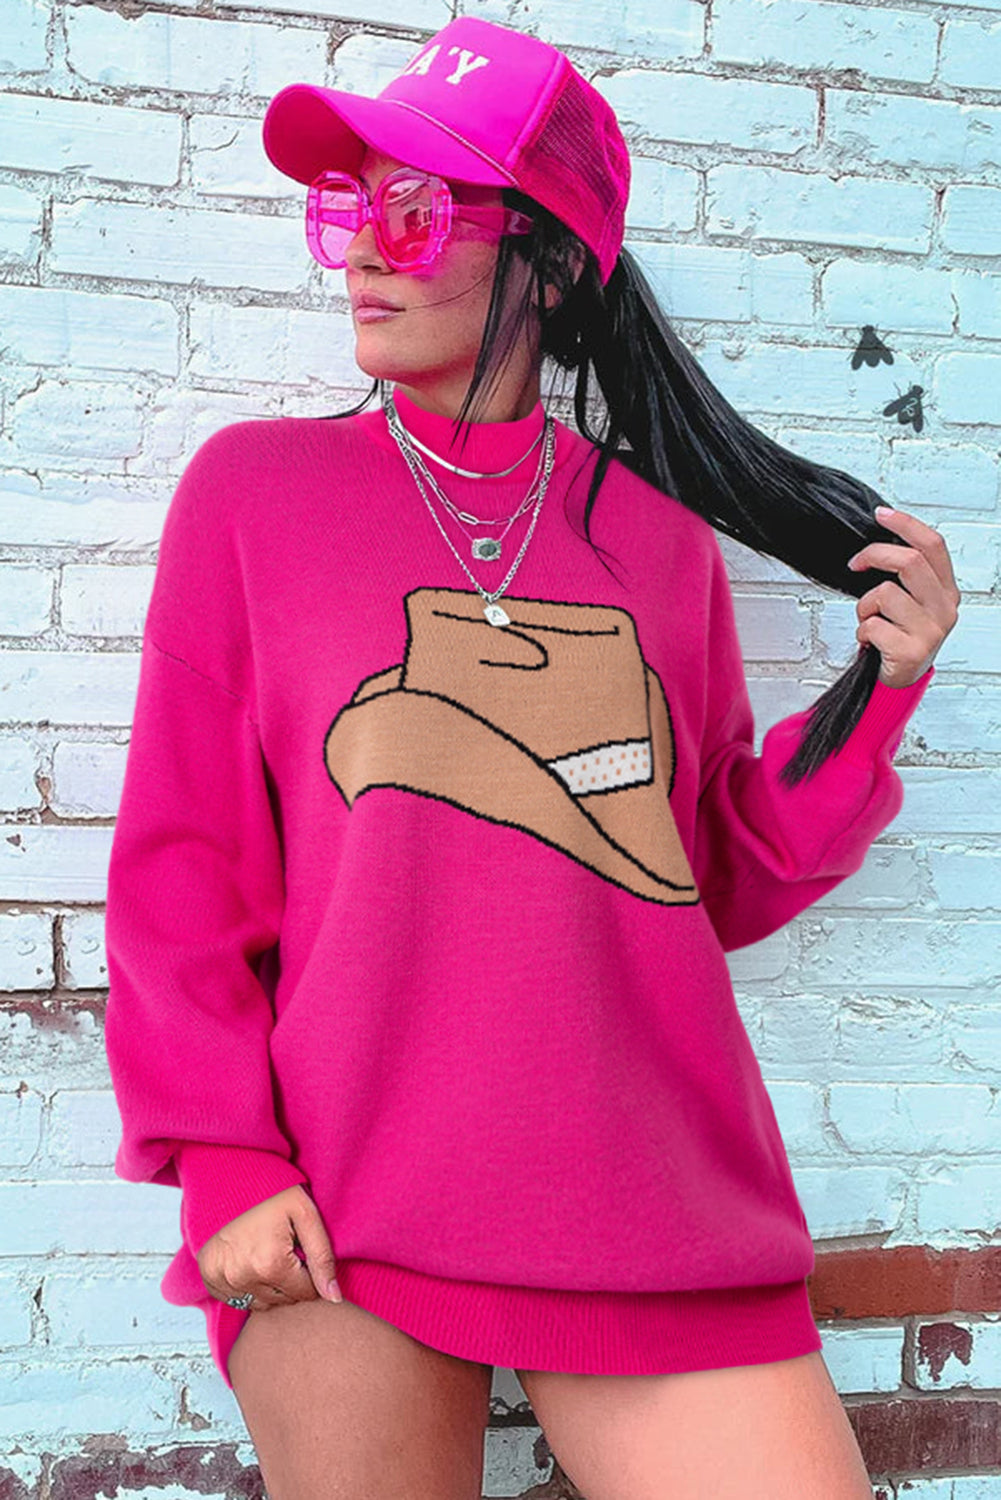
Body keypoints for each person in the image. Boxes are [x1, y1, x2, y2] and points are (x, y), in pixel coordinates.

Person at [103, 15, 960, 1498]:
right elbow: (182, 869)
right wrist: (223, 1157)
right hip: (343, 1205)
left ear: (549, 263)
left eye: (412, 211)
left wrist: (882, 691)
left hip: (645, 1192)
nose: (360, 254)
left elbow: (711, 873)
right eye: (348, 209)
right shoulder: (254, 496)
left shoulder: (659, 538)